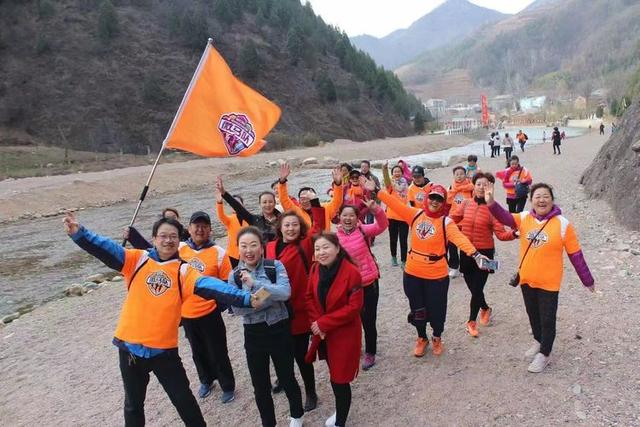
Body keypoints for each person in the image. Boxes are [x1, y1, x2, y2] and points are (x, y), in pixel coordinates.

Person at [64, 213, 256, 426]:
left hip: (164, 351)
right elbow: (107, 248)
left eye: (173, 236)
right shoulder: (136, 260)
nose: (168, 240)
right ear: (154, 239)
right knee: (133, 404)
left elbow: (214, 287)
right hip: (129, 348)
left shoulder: (183, 271)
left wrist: (248, 298)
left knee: (184, 400)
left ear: (179, 239)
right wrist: (80, 234)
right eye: (163, 235)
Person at [371, 180, 489, 357]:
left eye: (439, 199)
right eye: (432, 197)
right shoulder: (415, 215)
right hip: (412, 273)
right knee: (417, 308)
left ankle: (436, 336)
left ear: (443, 203)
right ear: (427, 198)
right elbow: (394, 203)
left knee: (437, 308)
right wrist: (377, 191)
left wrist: (476, 254)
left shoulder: (446, 222)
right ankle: (421, 337)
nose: (435, 201)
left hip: (436, 275)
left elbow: (460, 239)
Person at [486, 183, 595, 373]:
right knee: (533, 314)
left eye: (546, 196)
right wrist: (491, 203)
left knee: (547, 318)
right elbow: (505, 217)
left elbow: (576, 255)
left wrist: (588, 281)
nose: (542, 200)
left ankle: (545, 354)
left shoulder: (563, 224)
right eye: (537, 196)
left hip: (549, 282)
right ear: (531, 200)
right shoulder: (524, 218)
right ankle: (538, 341)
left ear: (552, 200)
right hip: (527, 279)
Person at [228, 226, 305, 427]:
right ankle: (268, 422)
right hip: (253, 334)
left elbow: (285, 293)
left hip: (279, 329)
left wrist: (254, 287)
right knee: (260, 385)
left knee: (287, 376)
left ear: (262, 247)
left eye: (253, 245)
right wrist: (267, 298)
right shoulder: (234, 275)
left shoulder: (274, 266)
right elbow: (237, 310)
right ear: (238, 249)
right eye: (244, 246)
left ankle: (297, 415)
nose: (249, 250)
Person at [265, 201, 326, 413]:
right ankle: (285, 380)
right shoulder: (270, 247)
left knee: (301, 355)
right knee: (281, 352)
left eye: (294, 225)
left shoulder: (306, 243)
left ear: (300, 227)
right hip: (275, 310)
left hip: (298, 310)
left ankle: (310, 391)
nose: (291, 228)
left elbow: (319, 225)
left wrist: (315, 204)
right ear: (279, 227)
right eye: (287, 225)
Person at [305, 232, 364, 427]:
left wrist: (324, 323)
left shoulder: (351, 272)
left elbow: (354, 307)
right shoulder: (315, 269)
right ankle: (340, 409)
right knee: (333, 373)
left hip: (344, 334)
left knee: (340, 379)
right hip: (324, 333)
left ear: (338, 249)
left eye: (326, 247)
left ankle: (340, 421)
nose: (321, 252)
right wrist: (317, 323)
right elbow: (309, 297)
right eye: (317, 249)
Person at [449, 172, 516, 337]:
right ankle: (485, 308)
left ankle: (471, 321)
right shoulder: (465, 204)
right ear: (473, 185)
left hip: (485, 254)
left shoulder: (494, 210)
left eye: (485, 184)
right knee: (474, 289)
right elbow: (450, 220)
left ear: (491, 188)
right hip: (466, 252)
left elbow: (501, 234)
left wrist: (515, 234)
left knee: (478, 287)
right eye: (478, 184)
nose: (481, 187)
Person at [179, 211, 235, 402]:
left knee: (218, 350)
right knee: (197, 350)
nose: (200, 229)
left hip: (210, 312)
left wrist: (217, 305)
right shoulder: (180, 249)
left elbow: (227, 282)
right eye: (196, 225)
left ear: (210, 229)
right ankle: (206, 380)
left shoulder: (219, 252)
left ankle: (227, 385)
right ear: (189, 229)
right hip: (186, 313)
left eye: (204, 226)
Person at [335, 200, 388, 370]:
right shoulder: (335, 238)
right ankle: (354, 347)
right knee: (351, 319)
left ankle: (370, 351)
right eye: (345, 215)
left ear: (357, 218)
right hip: (348, 286)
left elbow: (383, 224)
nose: (348, 218)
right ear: (339, 218)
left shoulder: (363, 230)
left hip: (369, 282)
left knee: (368, 319)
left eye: (352, 215)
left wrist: (376, 210)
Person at [277, 163, 343, 231]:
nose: (305, 201)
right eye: (302, 199)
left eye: (308, 198)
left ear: (314, 198)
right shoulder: (296, 212)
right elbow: (284, 199)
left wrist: (338, 184)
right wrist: (282, 182)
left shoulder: (325, 209)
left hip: (323, 240)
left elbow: (337, 201)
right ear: (299, 201)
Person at [216, 176, 281, 244]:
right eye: (264, 202)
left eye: (270, 202)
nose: (267, 205)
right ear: (260, 204)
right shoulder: (254, 219)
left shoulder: (282, 219)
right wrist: (223, 192)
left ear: (275, 203)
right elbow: (238, 207)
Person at [446, 166, 474, 278]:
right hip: (453, 220)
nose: (459, 176)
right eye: (457, 174)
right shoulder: (451, 188)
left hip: (466, 220)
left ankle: (464, 267)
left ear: (465, 174)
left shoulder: (471, 188)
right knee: (452, 244)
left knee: (465, 244)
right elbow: (447, 202)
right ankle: (454, 267)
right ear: (454, 176)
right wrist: (454, 190)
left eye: (461, 174)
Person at [382, 162, 409, 267]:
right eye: (394, 171)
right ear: (392, 173)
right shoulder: (390, 186)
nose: (397, 173)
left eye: (398, 171)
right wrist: (384, 169)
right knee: (393, 238)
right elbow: (386, 179)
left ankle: (404, 260)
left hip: (404, 216)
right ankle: (393, 257)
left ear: (402, 173)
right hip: (392, 216)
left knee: (403, 240)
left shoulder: (406, 185)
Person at [125, 207, 189, 249]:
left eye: (173, 217)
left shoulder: (187, 232)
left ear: (178, 218)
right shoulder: (160, 234)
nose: (171, 220)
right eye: (168, 218)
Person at [214, 193, 249, 267]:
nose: (236, 205)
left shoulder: (249, 218)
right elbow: (221, 215)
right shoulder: (229, 219)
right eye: (233, 203)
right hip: (233, 254)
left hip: (247, 252)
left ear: (243, 205)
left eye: (238, 203)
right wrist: (219, 203)